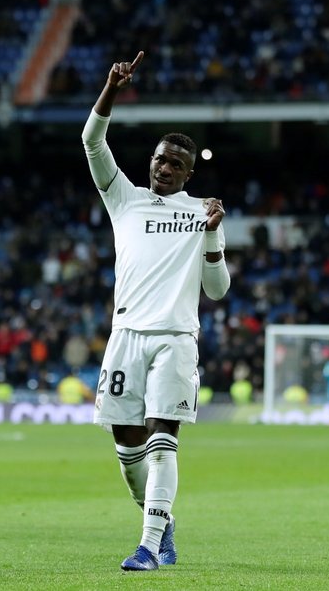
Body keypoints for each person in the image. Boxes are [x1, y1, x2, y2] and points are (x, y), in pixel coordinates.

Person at [82, 51, 230, 572]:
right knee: (127, 450)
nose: (163, 168)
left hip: (175, 338)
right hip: (126, 335)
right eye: (159, 159)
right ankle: (161, 521)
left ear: (189, 173)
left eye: (175, 164)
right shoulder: (125, 199)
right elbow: (92, 142)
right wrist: (112, 88)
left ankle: (148, 545)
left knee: (163, 436)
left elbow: (216, 289)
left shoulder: (201, 213)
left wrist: (211, 235)